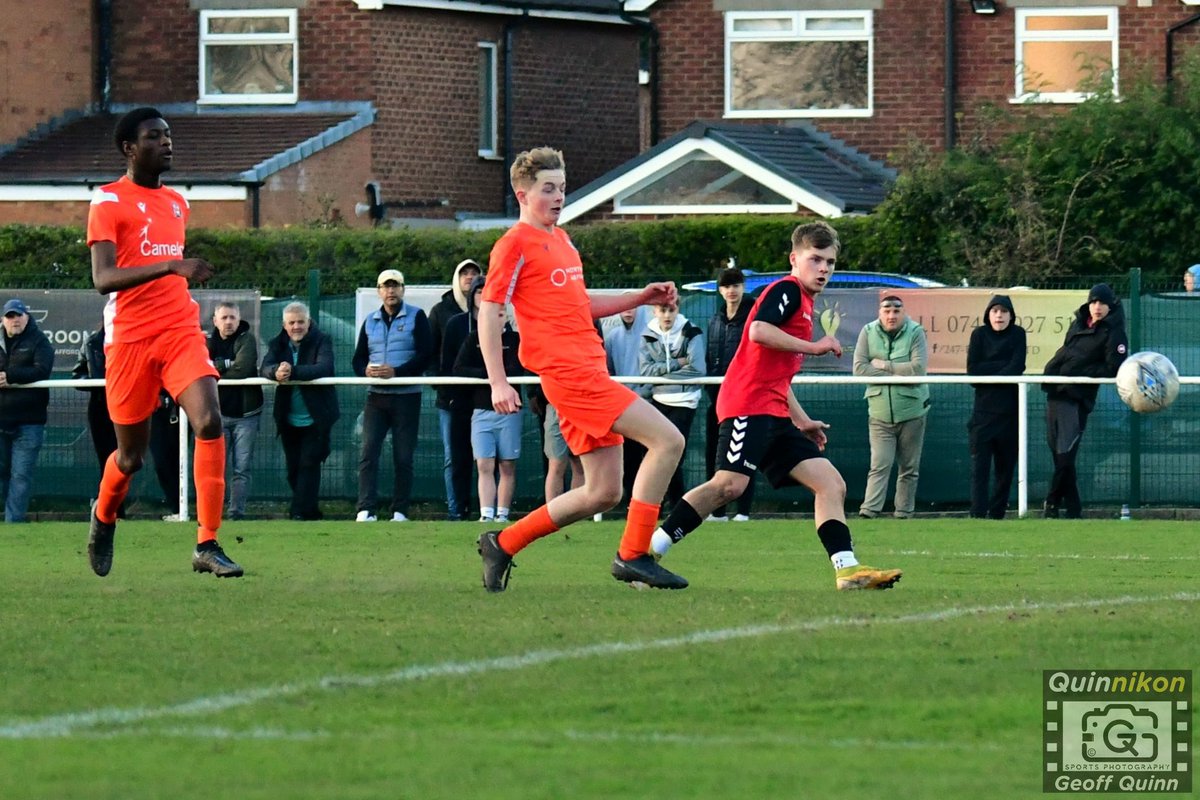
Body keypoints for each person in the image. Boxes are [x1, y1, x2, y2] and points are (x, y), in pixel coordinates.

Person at [475, 146, 689, 592]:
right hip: (571, 376)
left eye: (563, 189)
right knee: (669, 440)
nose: (558, 197)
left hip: (589, 369)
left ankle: (502, 543)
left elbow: (580, 305)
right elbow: (490, 310)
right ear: (522, 194)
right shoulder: (514, 243)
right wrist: (498, 380)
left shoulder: (563, 240)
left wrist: (639, 298)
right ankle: (633, 555)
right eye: (547, 189)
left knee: (604, 492)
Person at [648, 222, 901, 592]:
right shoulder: (786, 290)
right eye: (815, 259)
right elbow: (757, 332)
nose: (824, 268)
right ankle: (646, 551)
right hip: (748, 405)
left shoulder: (806, 304)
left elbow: (778, 375)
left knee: (830, 483)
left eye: (830, 261)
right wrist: (815, 346)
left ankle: (848, 571)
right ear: (794, 259)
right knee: (728, 486)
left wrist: (801, 421)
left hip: (775, 412)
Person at [84, 107, 241, 577]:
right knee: (130, 457)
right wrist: (171, 266)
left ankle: (207, 544)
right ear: (130, 149)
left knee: (210, 421)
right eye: (155, 136)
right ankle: (104, 515)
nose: (167, 143)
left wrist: (177, 274)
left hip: (178, 330)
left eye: (169, 135)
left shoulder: (177, 203)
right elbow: (103, 278)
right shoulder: (108, 201)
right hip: (130, 341)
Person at [351, 270, 432, 523]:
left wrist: (397, 372)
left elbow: (425, 355)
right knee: (368, 453)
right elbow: (358, 359)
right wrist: (365, 370)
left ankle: (400, 511)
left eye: (395, 286)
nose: (390, 291)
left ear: (403, 289)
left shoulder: (417, 317)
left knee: (403, 456)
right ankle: (366, 509)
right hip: (376, 397)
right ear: (378, 291)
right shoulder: (370, 321)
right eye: (385, 287)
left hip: (407, 397)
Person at [1041, 283, 1128, 519]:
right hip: (1056, 393)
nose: (1097, 307)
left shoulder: (1114, 332)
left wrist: (1081, 372)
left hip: (1077, 397)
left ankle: (1051, 503)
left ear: (1110, 306)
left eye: (1101, 303)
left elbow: (1113, 368)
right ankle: (1073, 509)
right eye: (1093, 302)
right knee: (1059, 453)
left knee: (1065, 453)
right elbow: (1067, 352)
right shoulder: (1077, 323)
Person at [852, 295, 930, 519]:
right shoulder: (867, 331)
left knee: (909, 467)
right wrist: (897, 372)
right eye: (887, 311)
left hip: (912, 411)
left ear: (903, 312)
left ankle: (903, 512)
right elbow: (859, 369)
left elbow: (918, 369)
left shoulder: (916, 332)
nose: (891, 315)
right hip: (878, 413)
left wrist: (884, 366)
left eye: (896, 311)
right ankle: (869, 511)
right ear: (879, 313)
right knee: (879, 464)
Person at [454, 276, 524, 523]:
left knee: (507, 465)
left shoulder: (515, 340)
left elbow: (521, 368)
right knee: (484, 463)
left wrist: (502, 376)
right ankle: (486, 513)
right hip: (481, 411)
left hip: (510, 412)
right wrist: (488, 374)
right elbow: (459, 368)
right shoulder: (473, 340)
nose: (498, 315)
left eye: (502, 311)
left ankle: (503, 514)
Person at [261, 302, 340, 521]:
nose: (296, 326)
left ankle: (297, 512)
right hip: (288, 419)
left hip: (317, 418)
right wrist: (275, 372)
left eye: (300, 322)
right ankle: (310, 511)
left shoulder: (323, 340)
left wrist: (292, 371)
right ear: (284, 325)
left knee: (309, 463)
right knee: (294, 469)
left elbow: (324, 367)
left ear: (309, 322)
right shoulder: (277, 344)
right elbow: (265, 367)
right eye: (292, 323)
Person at [428, 258, 482, 520]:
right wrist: (441, 385)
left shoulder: (495, 316)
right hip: (451, 399)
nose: (469, 278)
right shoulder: (442, 312)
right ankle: (456, 510)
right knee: (454, 457)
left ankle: (486, 510)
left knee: (485, 458)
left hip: (483, 400)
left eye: (475, 273)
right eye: (465, 273)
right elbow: (433, 354)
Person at [639, 299, 704, 512]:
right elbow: (644, 371)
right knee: (659, 453)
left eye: (671, 310)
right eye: (662, 310)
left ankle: (675, 505)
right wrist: (677, 363)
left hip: (684, 402)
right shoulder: (647, 334)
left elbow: (697, 369)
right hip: (658, 400)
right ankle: (664, 504)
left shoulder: (692, 331)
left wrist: (662, 373)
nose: (667, 315)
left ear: (678, 309)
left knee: (671, 453)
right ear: (654, 311)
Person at [965, 295, 1027, 519]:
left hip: (1010, 414)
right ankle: (977, 514)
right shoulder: (978, 335)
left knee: (1005, 469)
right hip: (982, 416)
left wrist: (988, 371)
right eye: (994, 311)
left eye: (1003, 311)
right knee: (979, 469)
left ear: (1011, 315)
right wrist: (1001, 368)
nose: (999, 315)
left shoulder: (1018, 334)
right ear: (988, 314)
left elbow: (1017, 367)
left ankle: (997, 513)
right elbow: (973, 372)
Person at [704, 267, 756, 522]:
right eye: (726, 286)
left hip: (745, 396)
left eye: (735, 285)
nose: (731, 290)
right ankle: (718, 511)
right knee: (714, 452)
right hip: (717, 398)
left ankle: (743, 511)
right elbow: (709, 358)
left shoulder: (753, 318)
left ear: (743, 286)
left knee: (743, 454)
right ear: (720, 289)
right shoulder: (714, 320)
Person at [207, 301, 263, 520]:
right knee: (215, 470)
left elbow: (244, 368)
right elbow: (203, 366)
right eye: (224, 317)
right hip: (217, 414)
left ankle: (236, 513)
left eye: (232, 317)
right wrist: (225, 365)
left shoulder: (247, 339)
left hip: (246, 416)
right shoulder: (207, 342)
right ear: (215, 321)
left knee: (241, 469)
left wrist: (217, 368)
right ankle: (212, 515)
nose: (228, 322)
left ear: (238, 319)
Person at [0, 298, 53, 523]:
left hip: (29, 422)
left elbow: (42, 370)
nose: (15, 320)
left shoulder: (39, 341)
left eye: (19, 315)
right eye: (10, 316)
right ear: (3, 320)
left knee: (20, 476)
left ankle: (14, 525)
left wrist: (10, 377)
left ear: (27, 317)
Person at [72, 325, 126, 518]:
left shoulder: (129, 340)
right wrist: (97, 383)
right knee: (105, 458)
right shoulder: (91, 342)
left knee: (126, 458)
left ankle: (117, 506)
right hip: (100, 407)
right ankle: (110, 509)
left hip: (125, 405)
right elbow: (77, 375)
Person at [603, 307, 648, 507]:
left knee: (649, 453)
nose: (628, 312)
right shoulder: (613, 337)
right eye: (625, 308)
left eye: (633, 308)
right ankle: (630, 501)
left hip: (646, 401)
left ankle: (650, 501)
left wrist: (644, 391)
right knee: (628, 457)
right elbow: (609, 369)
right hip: (622, 404)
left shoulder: (649, 333)